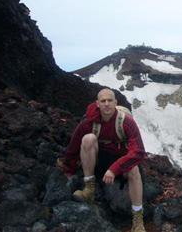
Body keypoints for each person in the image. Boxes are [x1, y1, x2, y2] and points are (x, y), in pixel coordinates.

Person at [57, 88, 147, 232]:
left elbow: (138, 152)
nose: (106, 104)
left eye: (110, 100)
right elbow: (73, 147)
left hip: (120, 162)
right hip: (100, 162)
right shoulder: (89, 122)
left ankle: (137, 219)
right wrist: (68, 167)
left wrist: (114, 169)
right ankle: (89, 189)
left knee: (134, 169)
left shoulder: (126, 122)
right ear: (97, 103)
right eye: (103, 101)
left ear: (116, 102)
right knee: (88, 139)